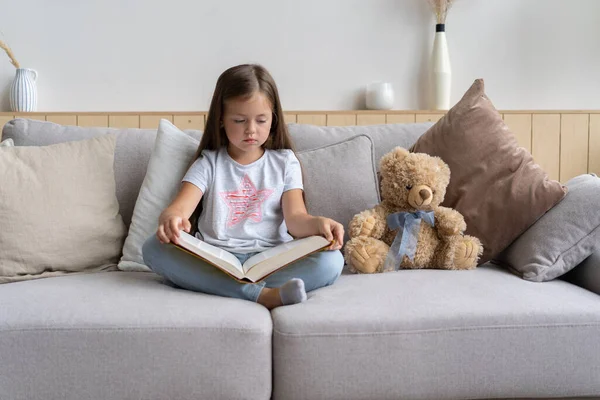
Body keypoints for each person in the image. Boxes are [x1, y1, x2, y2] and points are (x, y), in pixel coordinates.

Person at [142, 64, 345, 309]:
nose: (251, 130)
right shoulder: (209, 163)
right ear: (221, 120)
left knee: (332, 261)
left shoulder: (284, 162)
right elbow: (178, 209)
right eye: (239, 120)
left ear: (273, 120)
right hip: (217, 260)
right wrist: (172, 219)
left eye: (261, 120)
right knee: (154, 249)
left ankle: (225, 287)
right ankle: (262, 295)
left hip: (271, 261)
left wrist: (318, 224)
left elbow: (296, 219)